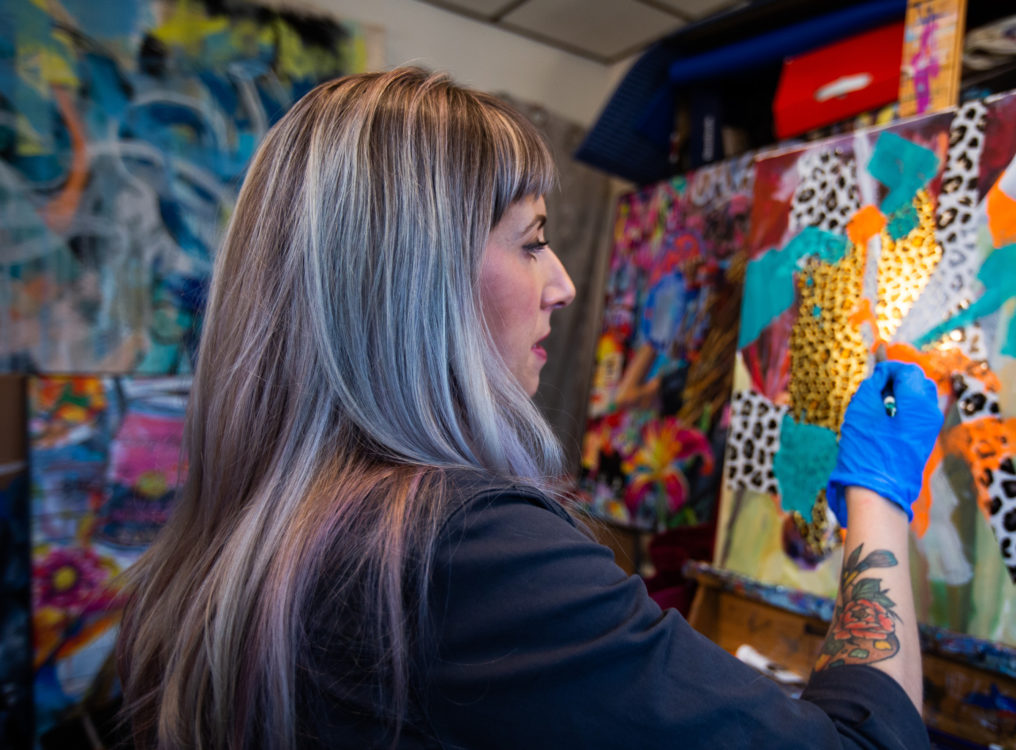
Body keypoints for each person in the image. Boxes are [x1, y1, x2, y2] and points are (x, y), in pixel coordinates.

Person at [116, 66, 943, 749]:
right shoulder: (464, 549)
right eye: (532, 241)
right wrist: (877, 499)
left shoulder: (269, 518)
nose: (564, 286)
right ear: (418, 282)